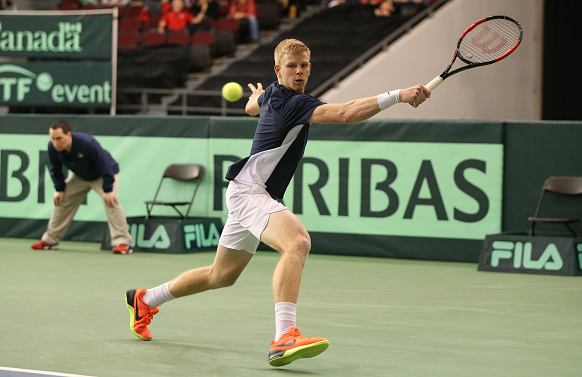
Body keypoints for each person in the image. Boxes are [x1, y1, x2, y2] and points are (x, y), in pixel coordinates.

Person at [125, 38, 429, 367]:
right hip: (251, 191)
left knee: (221, 275)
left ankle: (145, 299)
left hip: (248, 192)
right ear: (278, 70)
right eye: (291, 67)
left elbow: (251, 107)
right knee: (297, 242)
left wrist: (257, 96)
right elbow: (344, 113)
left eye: (304, 65)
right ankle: (285, 336)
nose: (299, 72)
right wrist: (398, 95)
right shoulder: (294, 104)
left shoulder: (273, 93)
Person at [31, 120, 133, 255]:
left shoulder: (87, 143)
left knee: (111, 202)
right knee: (61, 201)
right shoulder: (52, 148)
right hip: (80, 177)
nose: (56, 143)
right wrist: (59, 189)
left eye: (59, 138)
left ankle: (123, 243)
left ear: (69, 135)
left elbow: (105, 165)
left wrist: (108, 189)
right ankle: (49, 241)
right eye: (53, 139)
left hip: (104, 175)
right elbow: (55, 169)